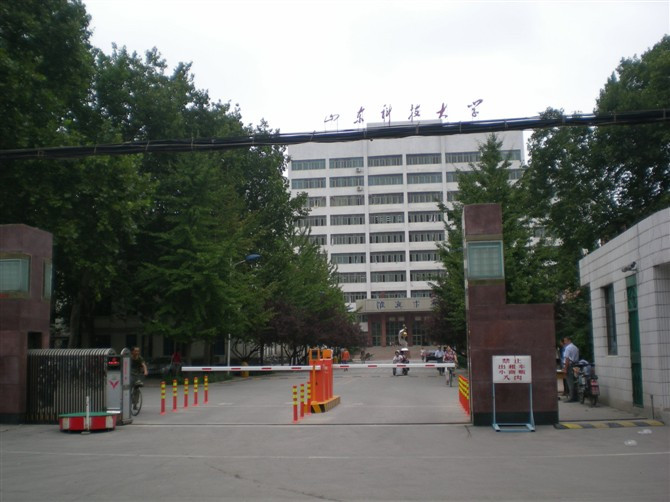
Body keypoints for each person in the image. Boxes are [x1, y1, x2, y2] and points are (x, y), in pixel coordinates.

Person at [562, 337, 579, 402]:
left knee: (570, 382)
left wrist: (565, 368)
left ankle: (571, 398)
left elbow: (567, 359)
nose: (564, 342)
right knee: (575, 381)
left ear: (569, 340)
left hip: (569, 366)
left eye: (565, 341)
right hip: (575, 365)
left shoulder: (568, 348)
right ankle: (576, 396)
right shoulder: (575, 347)